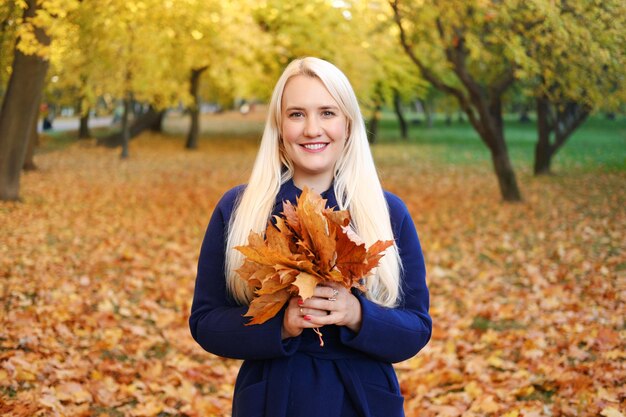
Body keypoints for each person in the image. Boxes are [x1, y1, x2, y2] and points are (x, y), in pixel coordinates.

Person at [189, 57, 431, 417]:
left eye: (328, 113)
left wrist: (357, 315)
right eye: (297, 114)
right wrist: (280, 326)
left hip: (363, 398)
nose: (312, 129)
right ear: (279, 126)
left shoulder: (386, 212)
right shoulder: (240, 209)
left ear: (348, 124)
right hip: (273, 397)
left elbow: (416, 327)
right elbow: (206, 323)